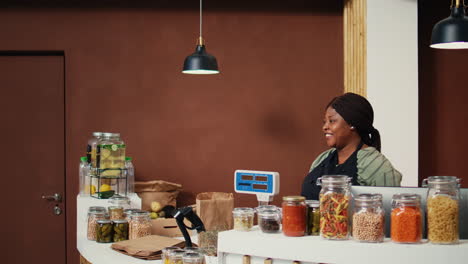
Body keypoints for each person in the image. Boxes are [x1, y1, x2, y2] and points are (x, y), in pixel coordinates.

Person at [301, 92, 402, 200]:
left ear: (352, 123)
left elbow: (389, 207)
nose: (325, 127)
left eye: (332, 121)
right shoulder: (321, 159)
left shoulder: (375, 164)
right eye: (325, 122)